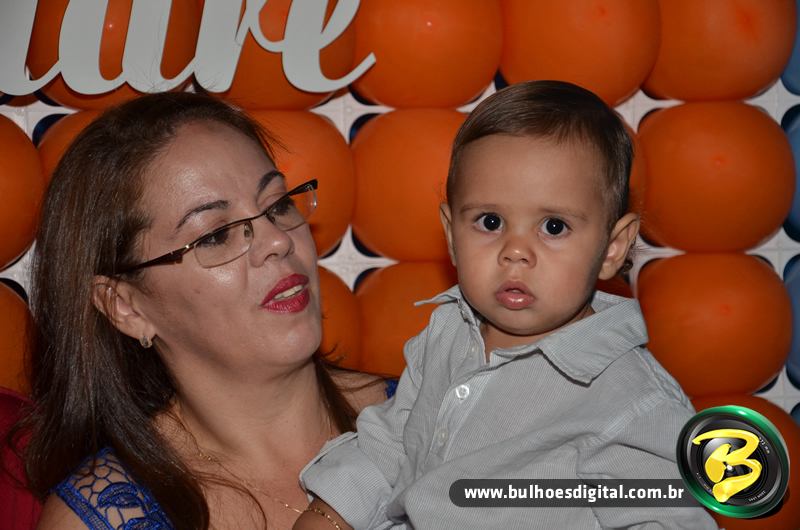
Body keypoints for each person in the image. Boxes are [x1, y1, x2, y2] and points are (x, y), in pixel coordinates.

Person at [296, 81, 719, 529]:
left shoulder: (629, 398)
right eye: (490, 221)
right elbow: (392, 443)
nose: (515, 251)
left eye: (553, 226)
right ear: (452, 235)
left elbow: (669, 518)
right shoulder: (446, 334)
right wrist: (330, 514)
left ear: (613, 247)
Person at [9, 91, 386, 530]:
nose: (278, 240)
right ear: (125, 306)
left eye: (278, 204)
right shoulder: (103, 518)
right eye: (215, 235)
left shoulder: (431, 415)